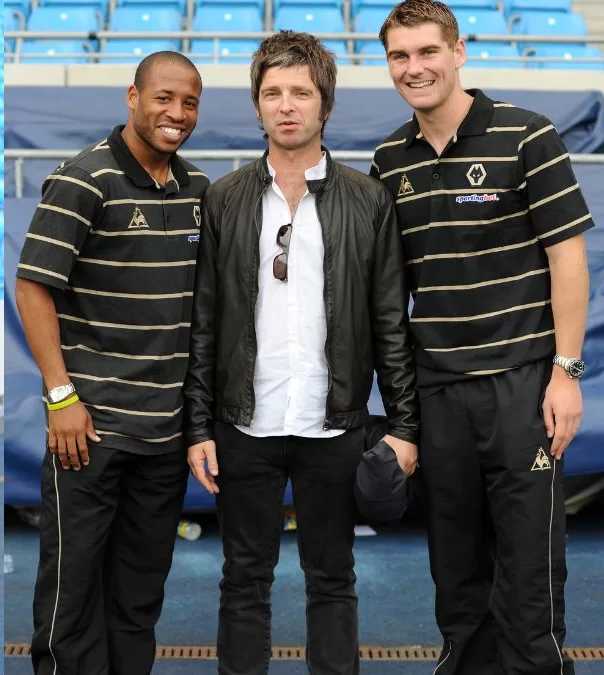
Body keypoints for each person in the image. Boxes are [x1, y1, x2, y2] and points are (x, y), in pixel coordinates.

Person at [183, 31, 420, 674]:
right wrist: (200, 427)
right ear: (258, 106)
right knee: (243, 580)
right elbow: (204, 322)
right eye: (272, 93)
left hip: (333, 424)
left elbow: (390, 323)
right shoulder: (223, 199)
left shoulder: (369, 201)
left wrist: (403, 428)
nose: (286, 106)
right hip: (243, 425)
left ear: (325, 105)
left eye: (301, 93)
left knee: (333, 578)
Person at [372, 1, 592, 672]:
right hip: (439, 395)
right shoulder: (389, 161)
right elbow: (392, 290)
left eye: (427, 51)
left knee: (527, 570)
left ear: (458, 51)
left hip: (524, 387)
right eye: (400, 56)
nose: (415, 68)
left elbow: (568, 259)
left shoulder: (528, 135)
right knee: (456, 569)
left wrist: (566, 372)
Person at [14, 50, 207, 675]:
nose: (176, 114)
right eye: (163, 98)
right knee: (71, 599)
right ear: (133, 97)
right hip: (88, 434)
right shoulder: (84, 179)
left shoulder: (201, 192)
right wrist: (61, 396)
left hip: (163, 437)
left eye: (189, 103)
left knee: (138, 599)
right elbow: (32, 286)